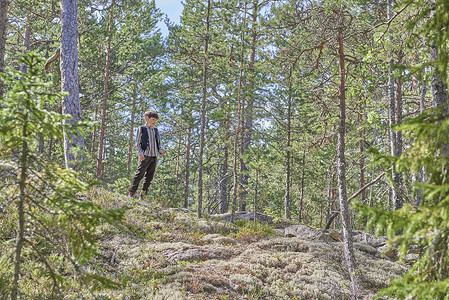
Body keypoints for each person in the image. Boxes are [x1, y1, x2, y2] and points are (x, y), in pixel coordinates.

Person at [129, 110, 164, 199]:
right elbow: (137, 142)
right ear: (147, 118)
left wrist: (160, 150)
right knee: (139, 174)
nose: (154, 122)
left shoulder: (155, 130)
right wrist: (140, 153)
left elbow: (159, 142)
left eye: (155, 120)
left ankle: (143, 196)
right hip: (145, 155)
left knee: (149, 177)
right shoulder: (141, 128)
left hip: (154, 156)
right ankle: (131, 193)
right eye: (153, 119)